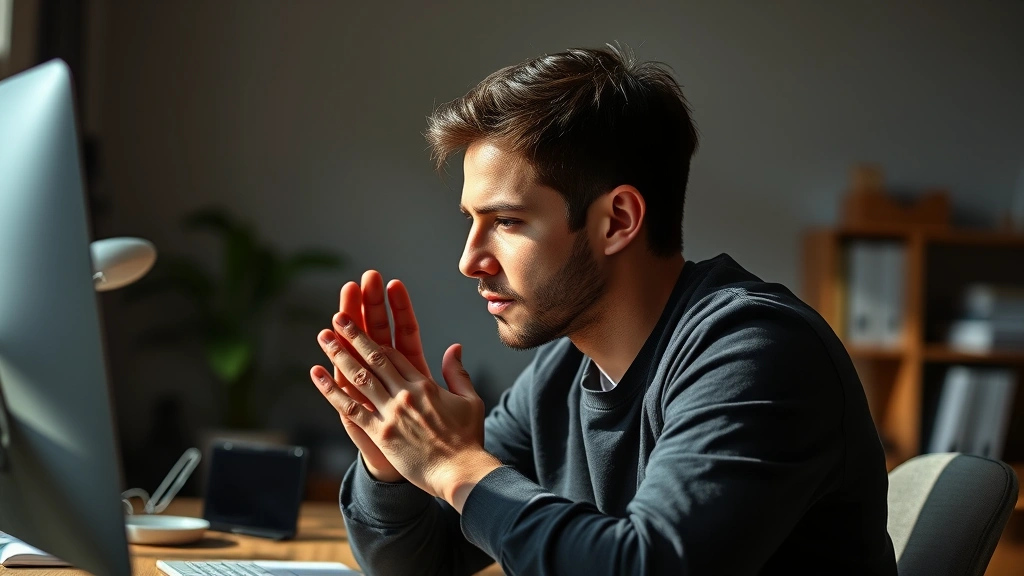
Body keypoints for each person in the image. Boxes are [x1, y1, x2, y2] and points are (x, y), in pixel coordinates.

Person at [309, 45, 897, 576]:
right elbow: (418, 563)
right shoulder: (562, 375)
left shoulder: (758, 351)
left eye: (508, 222)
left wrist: (455, 465)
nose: (470, 260)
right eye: (472, 222)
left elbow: (646, 567)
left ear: (617, 221)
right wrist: (394, 462)